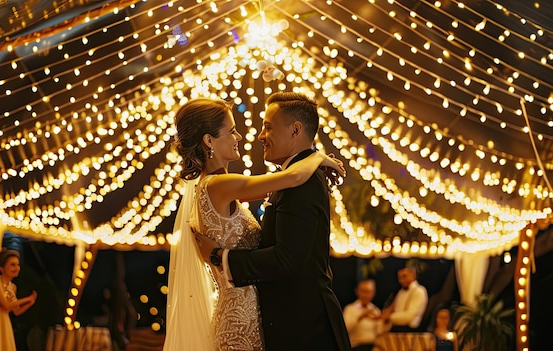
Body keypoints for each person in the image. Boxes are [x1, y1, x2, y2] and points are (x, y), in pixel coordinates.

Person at [163, 97, 346, 351]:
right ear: (209, 140)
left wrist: (220, 256)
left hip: (262, 317)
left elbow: (290, 181)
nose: (244, 136)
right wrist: (318, 158)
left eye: (268, 127)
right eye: (232, 131)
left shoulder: (219, 185)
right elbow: (292, 177)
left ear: (294, 130)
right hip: (241, 318)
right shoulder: (218, 185)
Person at [376, 266, 428, 332]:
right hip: (396, 328)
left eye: (404, 276)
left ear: (413, 275)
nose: (401, 280)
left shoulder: (419, 291)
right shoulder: (400, 292)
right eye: (399, 278)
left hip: (410, 330)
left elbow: (409, 316)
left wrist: (389, 317)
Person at [343, 279, 383, 351]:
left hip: (372, 346)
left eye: (368, 292)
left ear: (373, 293)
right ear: (357, 291)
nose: (365, 295)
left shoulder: (375, 310)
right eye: (363, 291)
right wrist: (360, 317)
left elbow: (380, 332)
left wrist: (384, 320)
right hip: (356, 346)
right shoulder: (350, 309)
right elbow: (345, 329)